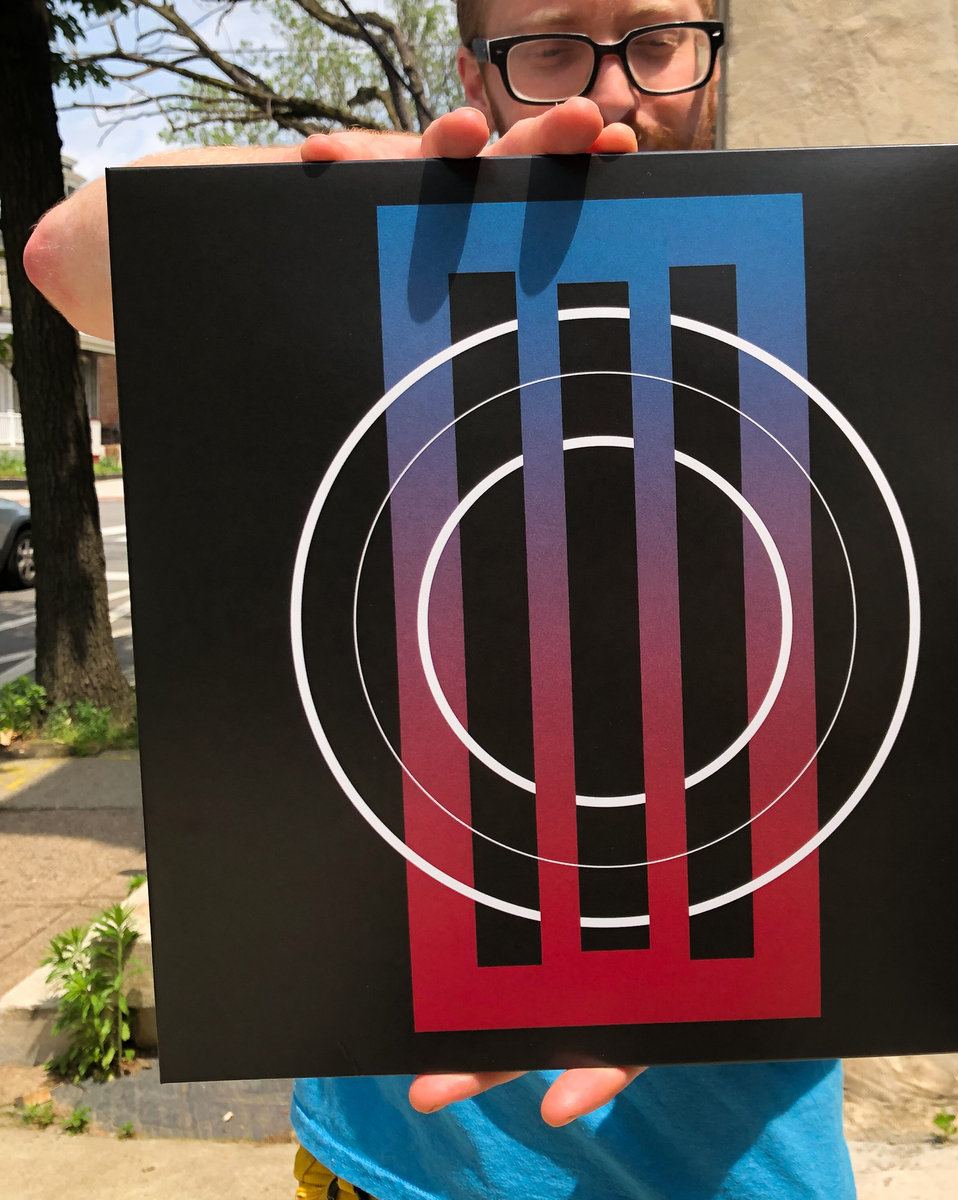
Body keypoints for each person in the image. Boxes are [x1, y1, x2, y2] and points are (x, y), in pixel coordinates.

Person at [25, 1, 858, 1196]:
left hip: (731, 1167)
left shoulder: (812, 284)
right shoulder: (393, 284)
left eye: (656, 40)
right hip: (394, 1160)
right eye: (553, 46)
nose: (611, 94)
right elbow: (67, 256)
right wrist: (366, 191)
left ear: (713, 55)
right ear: (476, 72)